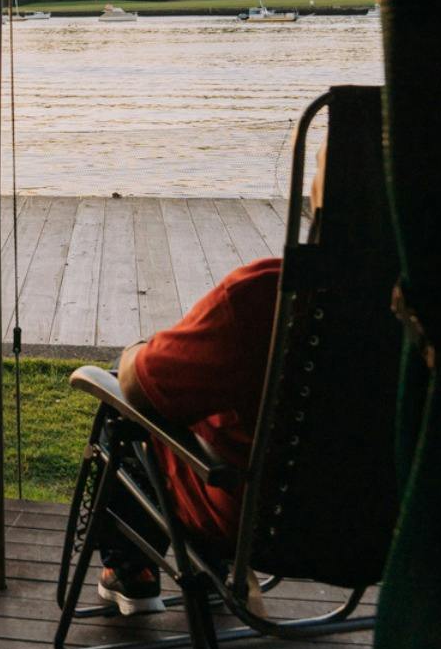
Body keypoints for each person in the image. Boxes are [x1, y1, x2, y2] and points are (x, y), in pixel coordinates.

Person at [94, 149, 328, 614]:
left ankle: (131, 570)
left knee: (119, 412)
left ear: (321, 198)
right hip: (377, 529)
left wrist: (138, 351)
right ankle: (210, 568)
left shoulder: (265, 296)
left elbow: (142, 386)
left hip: (252, 525)